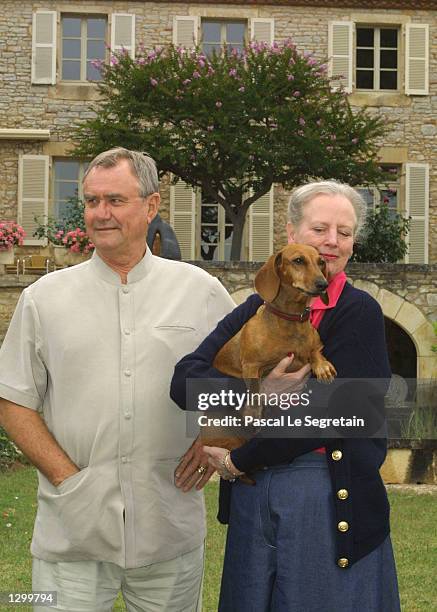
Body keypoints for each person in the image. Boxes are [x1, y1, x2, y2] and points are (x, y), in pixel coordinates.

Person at [0, 148, 235, 611]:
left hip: (169, 529)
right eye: (91, 201)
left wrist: (217, 434)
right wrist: (69, 481)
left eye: (115, 200)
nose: (100, 213)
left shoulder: (201, 293)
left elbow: (244, 380)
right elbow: (13, 400)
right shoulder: (43, 298)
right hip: (72, 534)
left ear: (151, 206)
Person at [171, 180, 401, 611]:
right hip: (254, 499)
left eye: (345, 232)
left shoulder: (360, 312)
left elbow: (349, 411)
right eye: (320, 229)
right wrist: (250, 393)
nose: (332, 241)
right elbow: (184, 383)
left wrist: (239, 458)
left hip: (327, 497)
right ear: (291, 234)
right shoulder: (254, 311)